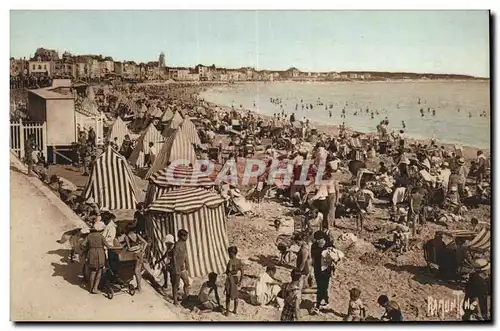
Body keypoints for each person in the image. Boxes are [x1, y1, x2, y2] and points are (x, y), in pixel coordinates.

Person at [80, 222, 112, 294]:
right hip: (100, 253)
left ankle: (90, 288)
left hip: (91, 253)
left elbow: (82, 244)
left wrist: (87, 249)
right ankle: (95, 288)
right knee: (99, 271)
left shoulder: (89, 236)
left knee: (93, 271)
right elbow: (107, 245)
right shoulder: (101, 236)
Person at [311, 231, 334, 310]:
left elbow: (335, 257)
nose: (317, 241)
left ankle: (318, 304)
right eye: (316, 239)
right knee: (320, 286)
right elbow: (313, 258)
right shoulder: (314, 246)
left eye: (318, 239)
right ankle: (324, 302)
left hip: (326, 269)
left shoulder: (329, 245)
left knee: (323, 286)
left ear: (323, 238)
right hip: (317, 269)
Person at [123, 225, 148, 293]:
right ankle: (139, 286)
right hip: (140, 254)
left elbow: (128, 248)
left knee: (136, 271)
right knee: (138, 271)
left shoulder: (126, 237)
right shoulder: (136, 235)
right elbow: (145, 243)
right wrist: (142, 250)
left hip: (134, 255)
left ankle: (139, 289)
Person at [171, 229, 190, 305]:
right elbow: (174, 257)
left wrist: (187, 264)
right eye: (186, 236)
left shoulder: (184, 243)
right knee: (176, 285)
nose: (187, 237)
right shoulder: (177, 245)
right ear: (182, 236)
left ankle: (186, 297)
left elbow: (185, 255)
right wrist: (176, 268)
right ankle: (175, 301)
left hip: (182, 267)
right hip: (176, 267)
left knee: (187, 282)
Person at [224, 246, 244, 316]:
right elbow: (242, 272)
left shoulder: (230, 261)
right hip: (236, 279)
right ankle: (235, 310)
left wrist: (226, 272)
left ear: (232, 253)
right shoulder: (239, 261)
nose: (229, 254)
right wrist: (240, 281)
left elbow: (227, 271)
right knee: (236, 295)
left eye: (229, 253)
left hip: (230, 279)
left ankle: (227, 311)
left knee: (228, 296)